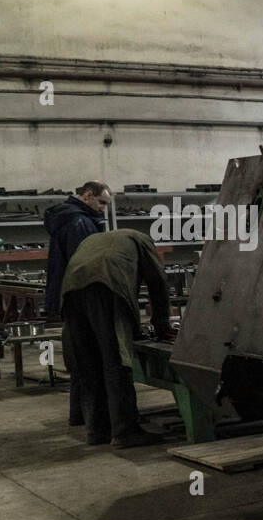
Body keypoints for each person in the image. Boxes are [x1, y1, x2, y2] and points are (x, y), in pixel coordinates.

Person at [60, 229, 173, 447]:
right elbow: (158, 282)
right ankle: (125, 432)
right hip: (105, 285)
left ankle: (97, 431)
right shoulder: (142, 240)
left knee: (88, 363)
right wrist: (162, 325)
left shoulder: (96, 239)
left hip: (70, 290)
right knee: (116, 360)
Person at [43, 180, 110, 426]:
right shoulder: (79, 223)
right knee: (92, 360)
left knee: (81, 358)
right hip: (82, 298)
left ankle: (79, 416)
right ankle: (96, 423)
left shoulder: (67, 218)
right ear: (87, 195)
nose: (103, 209)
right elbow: (86, 266)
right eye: (101, 203)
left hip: (70, 298)